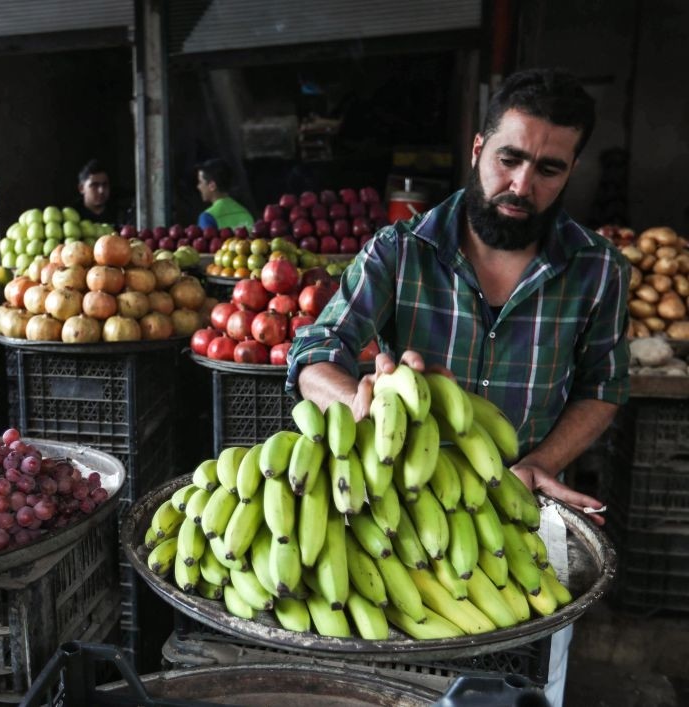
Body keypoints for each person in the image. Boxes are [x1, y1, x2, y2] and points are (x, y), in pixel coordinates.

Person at [286, 68, 628, 707]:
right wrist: (359, 395)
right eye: (510, 158)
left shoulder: (599, 270)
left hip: (521, 512)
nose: (522, 185)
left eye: (548, 169)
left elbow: (604, 385)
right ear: (478, 149)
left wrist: (541, 462)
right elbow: (313, 349)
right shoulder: (400, 251)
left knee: (525, 683)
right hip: (397, 517)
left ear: (571, 170)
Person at [196, 158, 254, 230]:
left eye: (200, 182)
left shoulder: (207, 217)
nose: (198, 187)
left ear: (212, 186)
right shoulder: (245, 213)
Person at [75, 159, 125, 228]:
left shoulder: (121, 214)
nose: (101, 190)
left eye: (105, 185)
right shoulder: (73, 215)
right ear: (81, 188)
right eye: (94, 185)